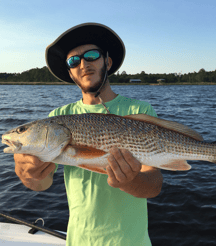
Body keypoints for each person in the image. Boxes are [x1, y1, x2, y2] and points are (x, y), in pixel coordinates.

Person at [14, 23, 163, 246]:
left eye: (91, 55)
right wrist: (29, 175)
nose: (83, 64)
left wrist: (130, 181)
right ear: (70, 72)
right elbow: (42, 184)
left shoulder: (140, 111)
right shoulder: (58, 116)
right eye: (73, 61)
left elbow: (154, 186)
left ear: (108, 62)